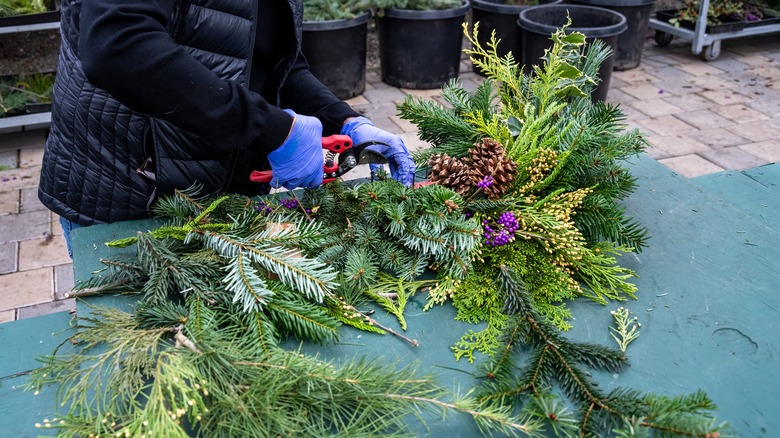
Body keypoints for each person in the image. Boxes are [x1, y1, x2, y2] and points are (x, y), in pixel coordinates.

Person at [37, 0, 416, 257]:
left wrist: (345, 120)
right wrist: (272, 129)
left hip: (226, 194)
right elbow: (118, 46)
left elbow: (273, 58)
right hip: (131, 200)